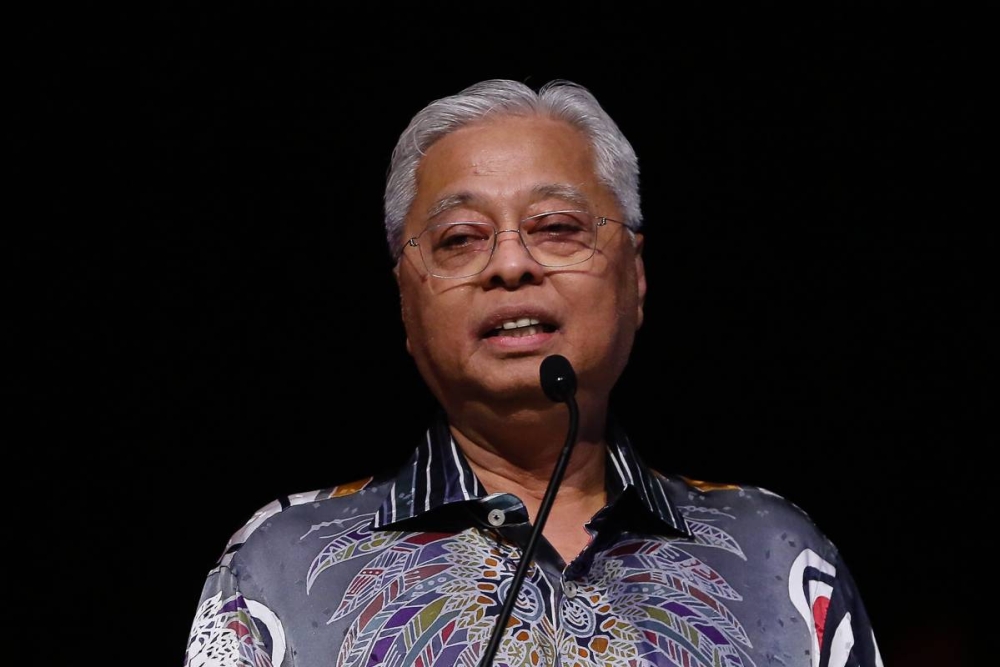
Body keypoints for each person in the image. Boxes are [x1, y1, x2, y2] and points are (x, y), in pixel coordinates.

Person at [182, 78, 883, 667]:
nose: (511, 264)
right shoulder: (280, 564)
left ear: (635, 278)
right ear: (406, 299)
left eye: (555, 226)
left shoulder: (775, 554)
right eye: (461, 238)